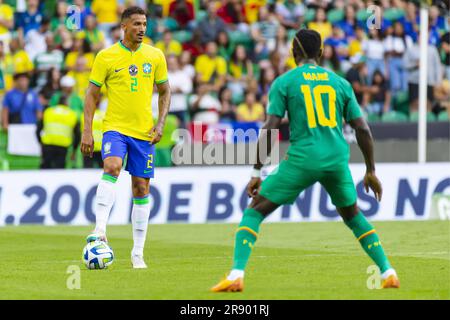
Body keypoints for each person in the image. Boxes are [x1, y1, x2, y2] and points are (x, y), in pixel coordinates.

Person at [211, 29, 399, 292]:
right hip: (336, 159)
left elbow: (271, 126)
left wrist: (256, 171)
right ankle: (388, 271)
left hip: (303, 158)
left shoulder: (285, 82)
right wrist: (370, 170)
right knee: (353, 216)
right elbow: (363, 129)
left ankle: (236, 275)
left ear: (293, 52)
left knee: (254, 210)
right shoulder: (340, 83)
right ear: (321, 53)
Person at [80, 6, 171, 269]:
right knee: (112, 166)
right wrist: (87, 130)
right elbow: (91, 94)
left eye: (144, 24)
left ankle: (137, 254)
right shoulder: (106, 56)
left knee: (141, 188)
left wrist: (161, 122)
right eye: (136, 24)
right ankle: (99, 230)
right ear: (124, 26)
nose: (142, 29)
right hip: (115, 127)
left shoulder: (155, 55)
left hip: (143, 132)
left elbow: (165, 91)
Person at [37, 96, 80, 169]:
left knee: (45, 170)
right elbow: (77, 135)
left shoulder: (48, 111)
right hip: (62, 147)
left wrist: (40, 142)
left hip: (47, 145)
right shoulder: (72, 114)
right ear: (67, 103)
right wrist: (74, 150)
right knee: (59, 172)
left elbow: (38, 130)